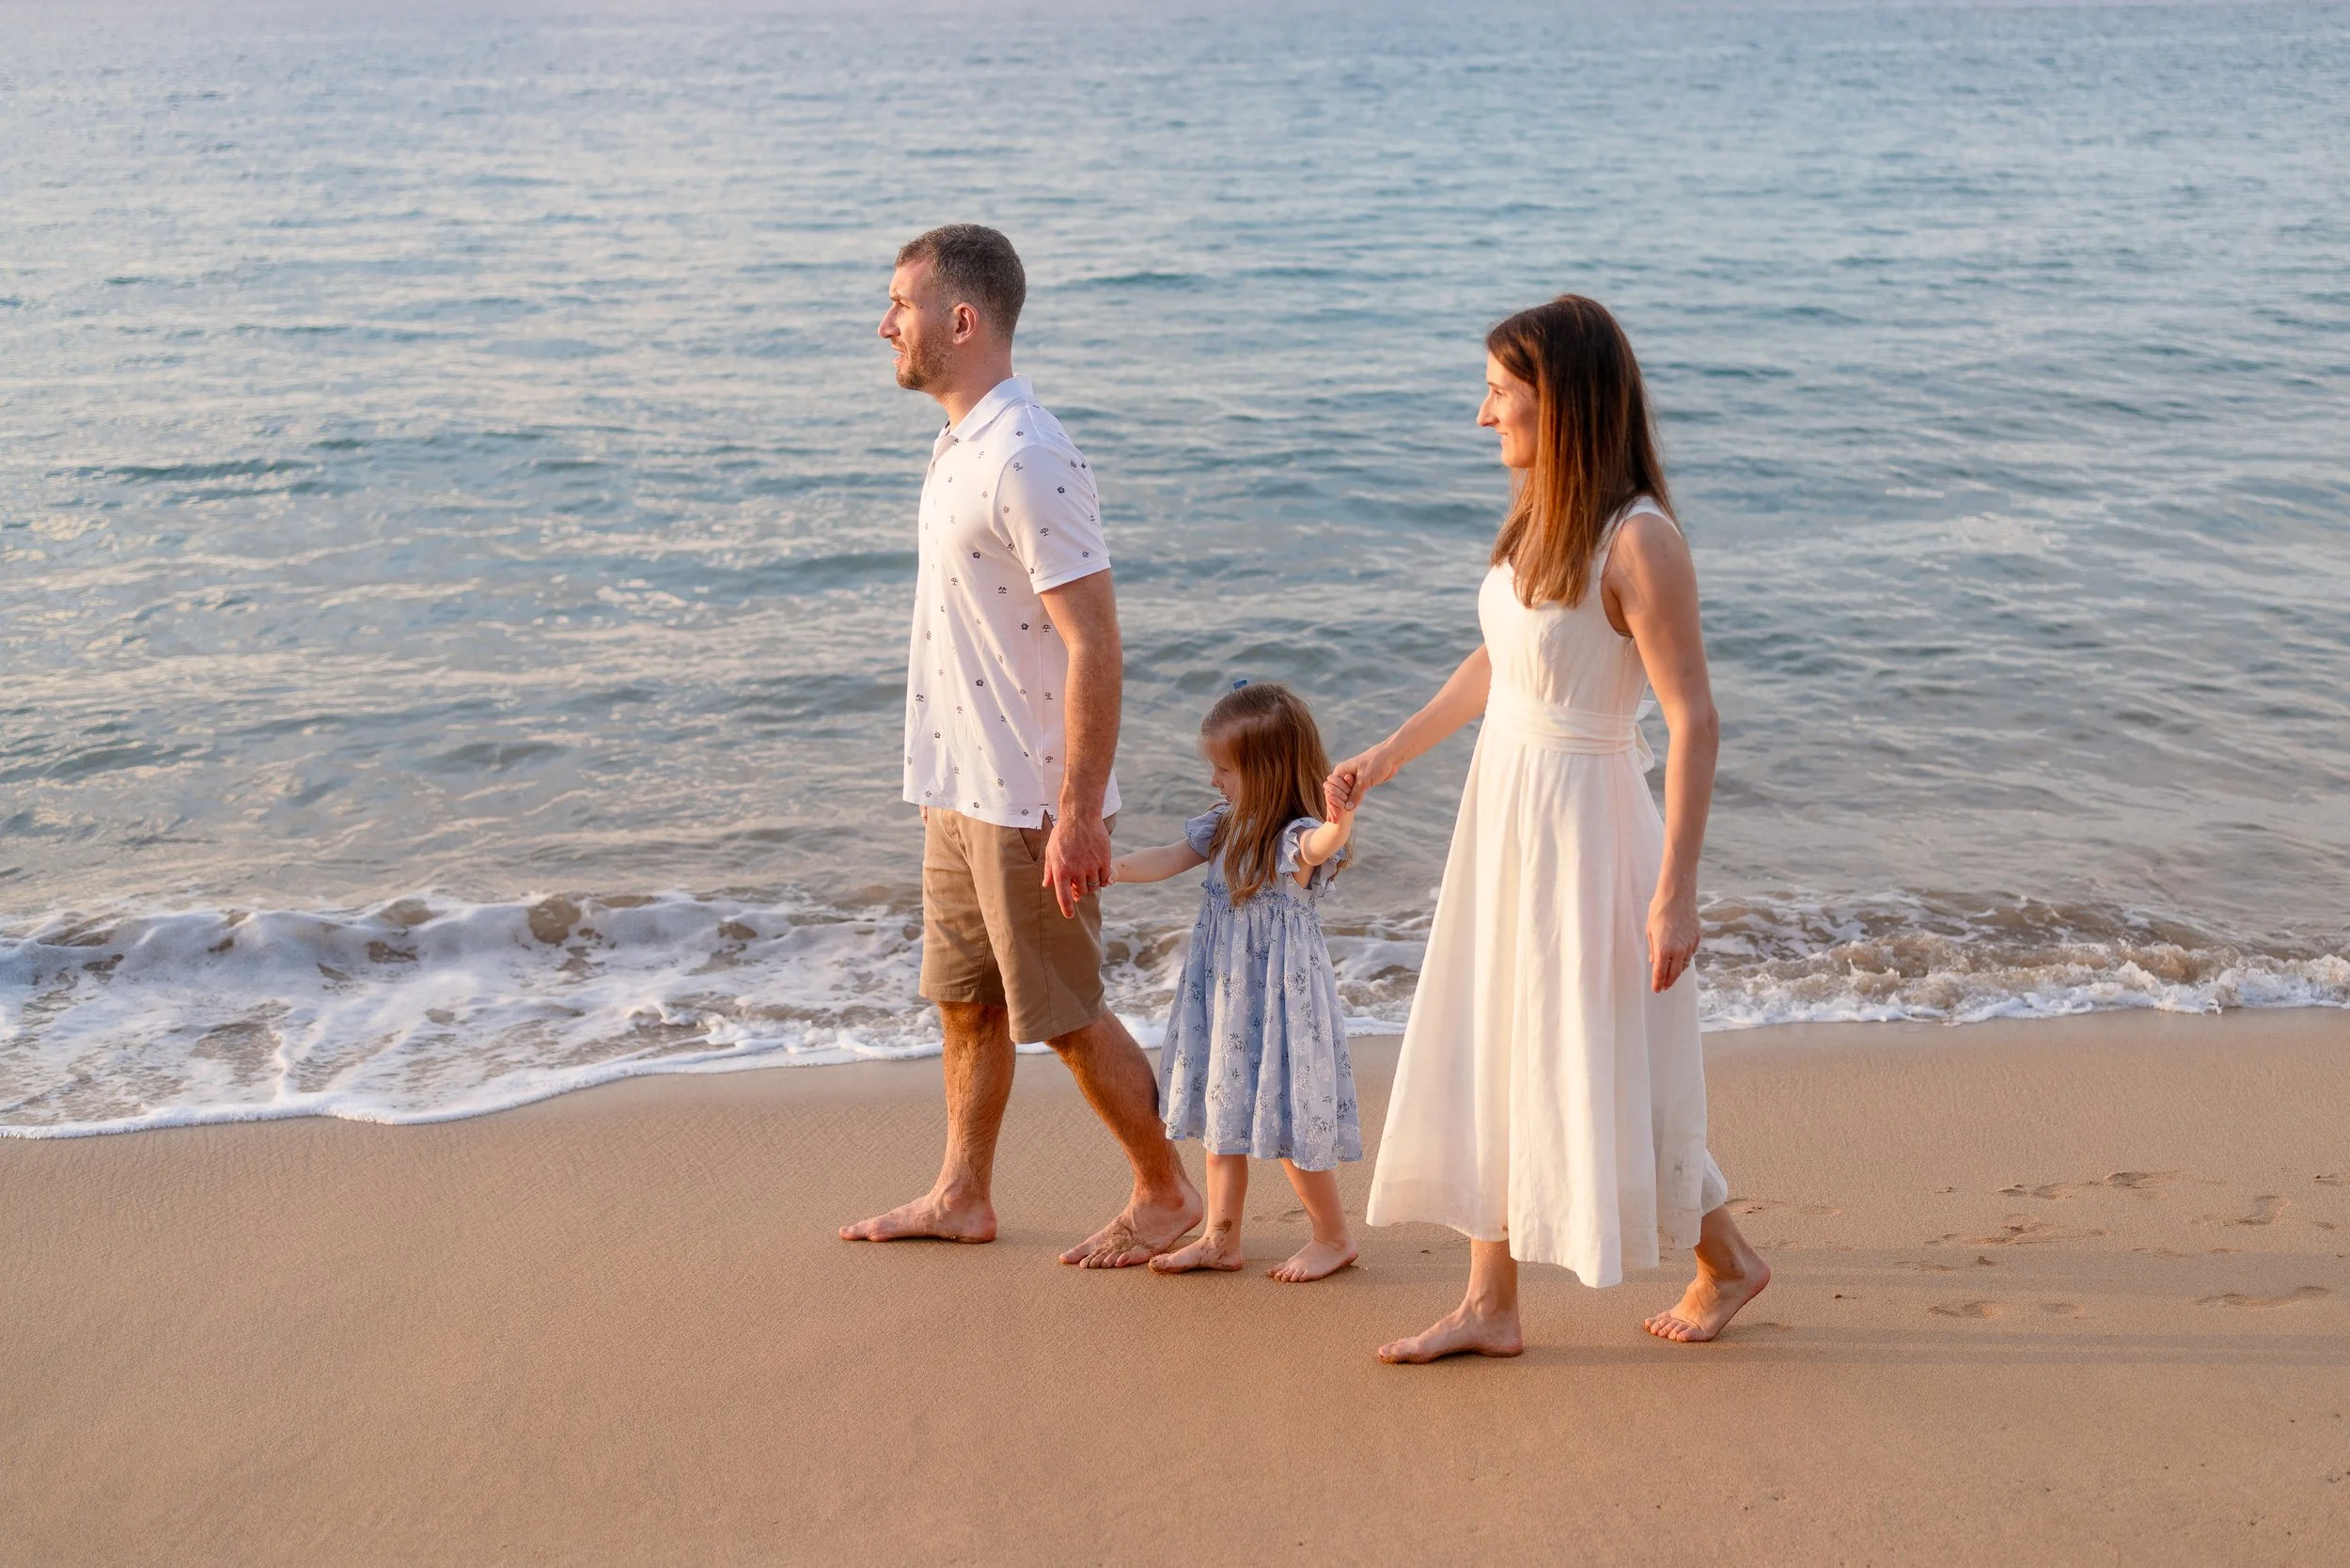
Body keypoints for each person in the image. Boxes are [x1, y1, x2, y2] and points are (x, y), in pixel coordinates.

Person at [1328, 294, 1769, 1360]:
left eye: (1500, 395)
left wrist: (1676, 892)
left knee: (1590, 1055)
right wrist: (1387, 755)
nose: (1484, 418)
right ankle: (1490, 1303)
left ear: (1560, 404)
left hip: (1586, 828)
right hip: (1503, 809)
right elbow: (1502, 664)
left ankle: (1727, 1260)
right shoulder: (1538, 518)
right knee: (1496, 1040)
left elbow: (1693, 718)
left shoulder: (1639, 542)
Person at [839, 224, 1201, 1268]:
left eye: (899, 305)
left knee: (1065, 1014)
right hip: (956, 782)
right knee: (966, 1001)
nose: (884, 324)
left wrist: (1078, 811)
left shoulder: (1030, 454)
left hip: (1028, 795)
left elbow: (1096, 642)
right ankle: (962, 1194)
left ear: (961, 319)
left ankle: (1166, 1193)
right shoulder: (958, 440)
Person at [1108, 682, 1362, 1283]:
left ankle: (1333, 1237)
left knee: (1291, 1121)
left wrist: (1340, 815)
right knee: (1222, 1117)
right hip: (1223, 996)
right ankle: (1221, 1238)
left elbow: (1325, 842)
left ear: (1267, 771)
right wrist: (1111, 869)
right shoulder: (1223, 825)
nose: (1214, 781)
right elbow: (1169, 857)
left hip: (1280, 1002)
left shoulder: (1292, 838)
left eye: (1224, 769)